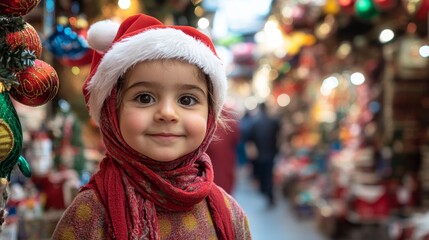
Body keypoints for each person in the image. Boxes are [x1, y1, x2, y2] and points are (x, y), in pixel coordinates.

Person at [52, 14, 251, 239]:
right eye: (144, 98)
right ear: (112, 111)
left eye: (187, 100)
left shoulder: (228, 213)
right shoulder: (90, 213)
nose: (167, 113)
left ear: (210, 114)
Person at [247, 102, 280, 208]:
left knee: (262, 174)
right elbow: (278, 135)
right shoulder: (273, 121)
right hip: (271, 152)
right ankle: (268, 193)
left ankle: (265, 191)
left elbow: (250, 139)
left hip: (259, 153)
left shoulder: (255, 122)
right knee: (268, 174)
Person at [206, 107, 240, 194]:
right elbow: (236, 139)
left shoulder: (207, 119)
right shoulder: (231, 120)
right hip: (226, 162)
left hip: (211, 166)